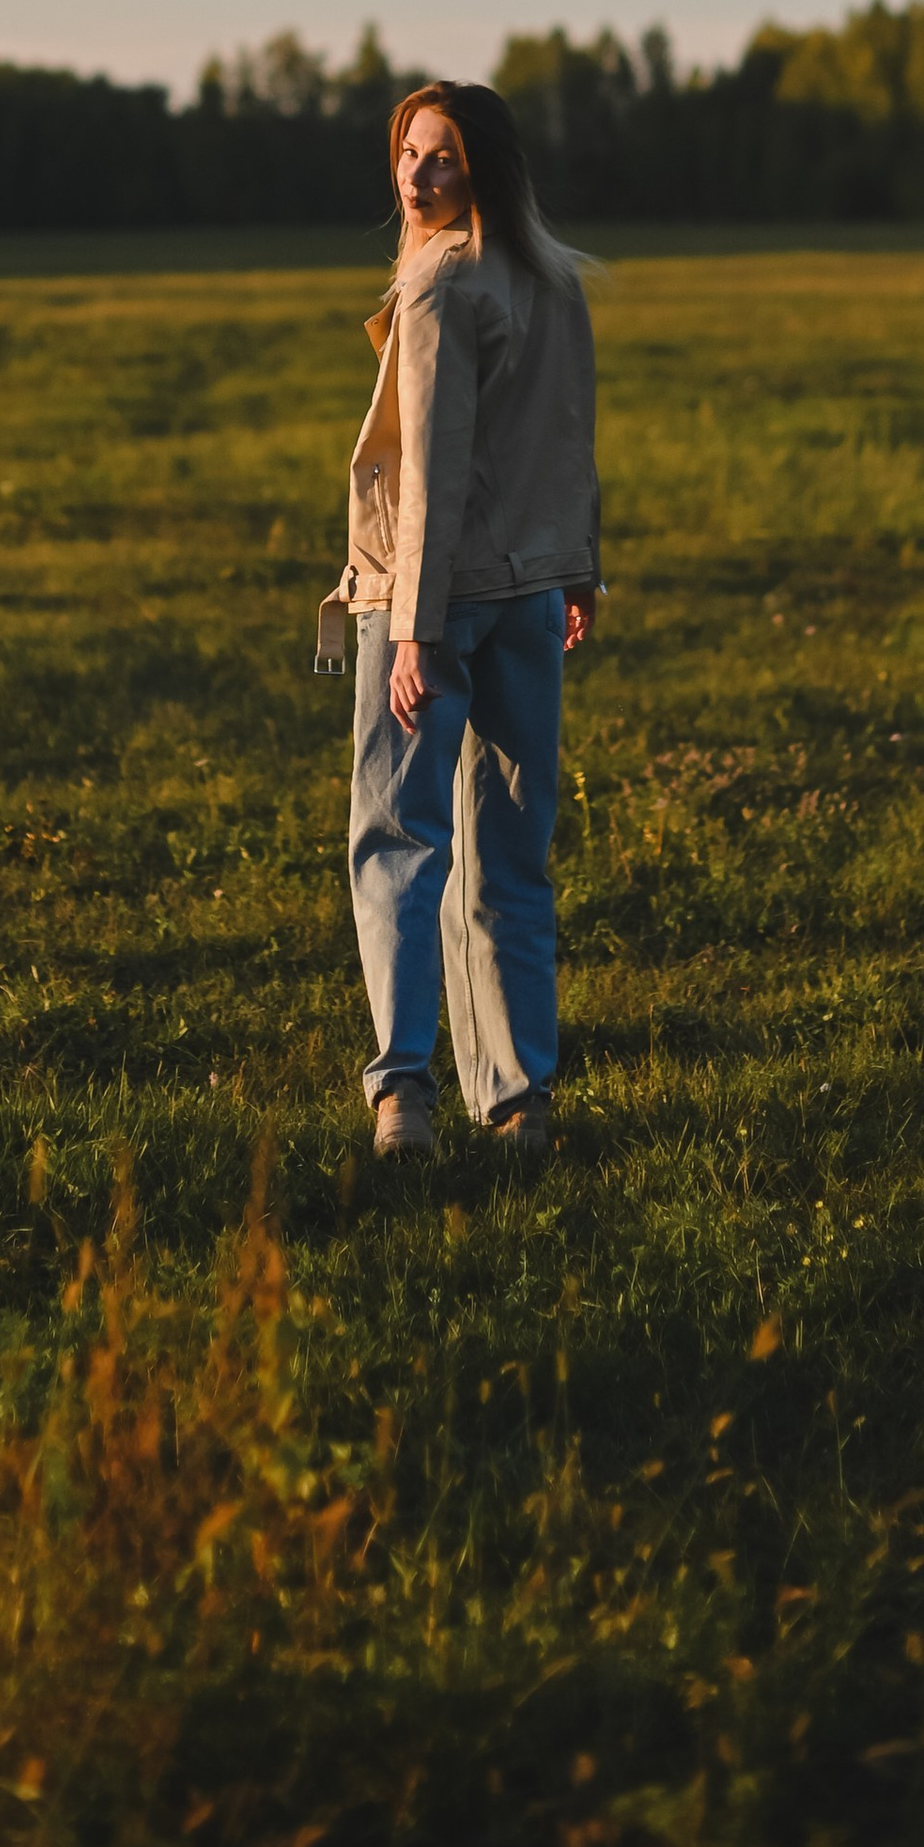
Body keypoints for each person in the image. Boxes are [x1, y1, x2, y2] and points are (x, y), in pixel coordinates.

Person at [315, 82, 601, 1160]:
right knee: (510, 858)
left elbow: (429, 469)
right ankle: (519, 1097)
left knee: (399, 844)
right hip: (530, 591)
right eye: (407, 153)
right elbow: (573, 441)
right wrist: (580, 569)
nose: (415, 176)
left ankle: (404, 1098)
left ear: (483, 168)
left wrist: (419, 634)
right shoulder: (553, 279)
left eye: (439, 158)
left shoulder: (438, 284)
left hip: (427, 605)